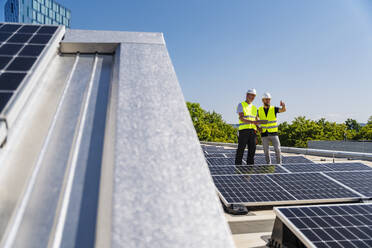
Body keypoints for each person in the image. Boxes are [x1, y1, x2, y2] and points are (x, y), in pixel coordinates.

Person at [258, 92, 286, 164]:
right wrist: (258, 127)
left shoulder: (274, 109)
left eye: (269, 99)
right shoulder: (259, 110)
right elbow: (255, 118)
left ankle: (279, 164)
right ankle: (268, 164)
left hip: (274, 133)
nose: (268, 101)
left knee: (277, 149)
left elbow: (283, 110)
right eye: (266, 99)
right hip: (264, 134)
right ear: (263, 100)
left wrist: (283, 106)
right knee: (266, 151)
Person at [235, 88, 259, 165]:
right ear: (247, 95)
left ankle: (249, 169)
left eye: (254, 96)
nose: (252, 97)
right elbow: (241, 118)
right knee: (241, 150)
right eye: (251, 95)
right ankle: (238, 168)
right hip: (243, 131)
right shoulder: (241, 105)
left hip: (253, 132)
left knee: (252, 151)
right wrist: (251, 122)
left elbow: (256, 120)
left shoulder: (255, 108)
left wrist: (259, 128)